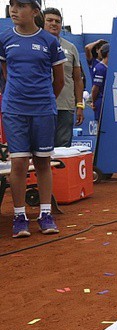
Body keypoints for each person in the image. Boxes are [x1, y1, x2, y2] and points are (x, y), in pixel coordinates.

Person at [1, 0, 66, 238]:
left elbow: (59, 81)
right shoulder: (5, 39)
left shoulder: (49, 41)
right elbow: (7, 75)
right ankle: (20, 217)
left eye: (20, 6)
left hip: (43, 110)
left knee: (42, 162)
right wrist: (18, 96)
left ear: (35, 11)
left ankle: (45, 214)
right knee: (18, 163)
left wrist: (44, 100)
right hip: (15, 110)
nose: (14, 10)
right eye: (11, 5)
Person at [43, 7, 84, 148]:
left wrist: (79, 105)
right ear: (41, 22)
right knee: (41, 147)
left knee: (63, 148)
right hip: (40, 105)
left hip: (65, 105)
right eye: (49, 20)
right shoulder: (34, 44)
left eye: (57, 21)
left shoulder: (71, 48)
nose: (54, 24)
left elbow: (78, 79)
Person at [91, 43, 109, 124]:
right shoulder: (100, 68)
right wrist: (93, 102)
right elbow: (96, 88)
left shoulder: (110, 67)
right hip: (101, 102)